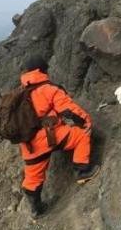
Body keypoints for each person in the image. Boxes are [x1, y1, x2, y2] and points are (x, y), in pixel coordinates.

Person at [19, 55, 100, 218]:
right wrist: (86, 122)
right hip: (49, 137)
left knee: (32, 177)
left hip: (28, 143)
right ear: (42, 71)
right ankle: (83, 171)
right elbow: (69, 111)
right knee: (81, 135)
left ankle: (36, 210)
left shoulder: (20, 93)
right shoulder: (48, 89)